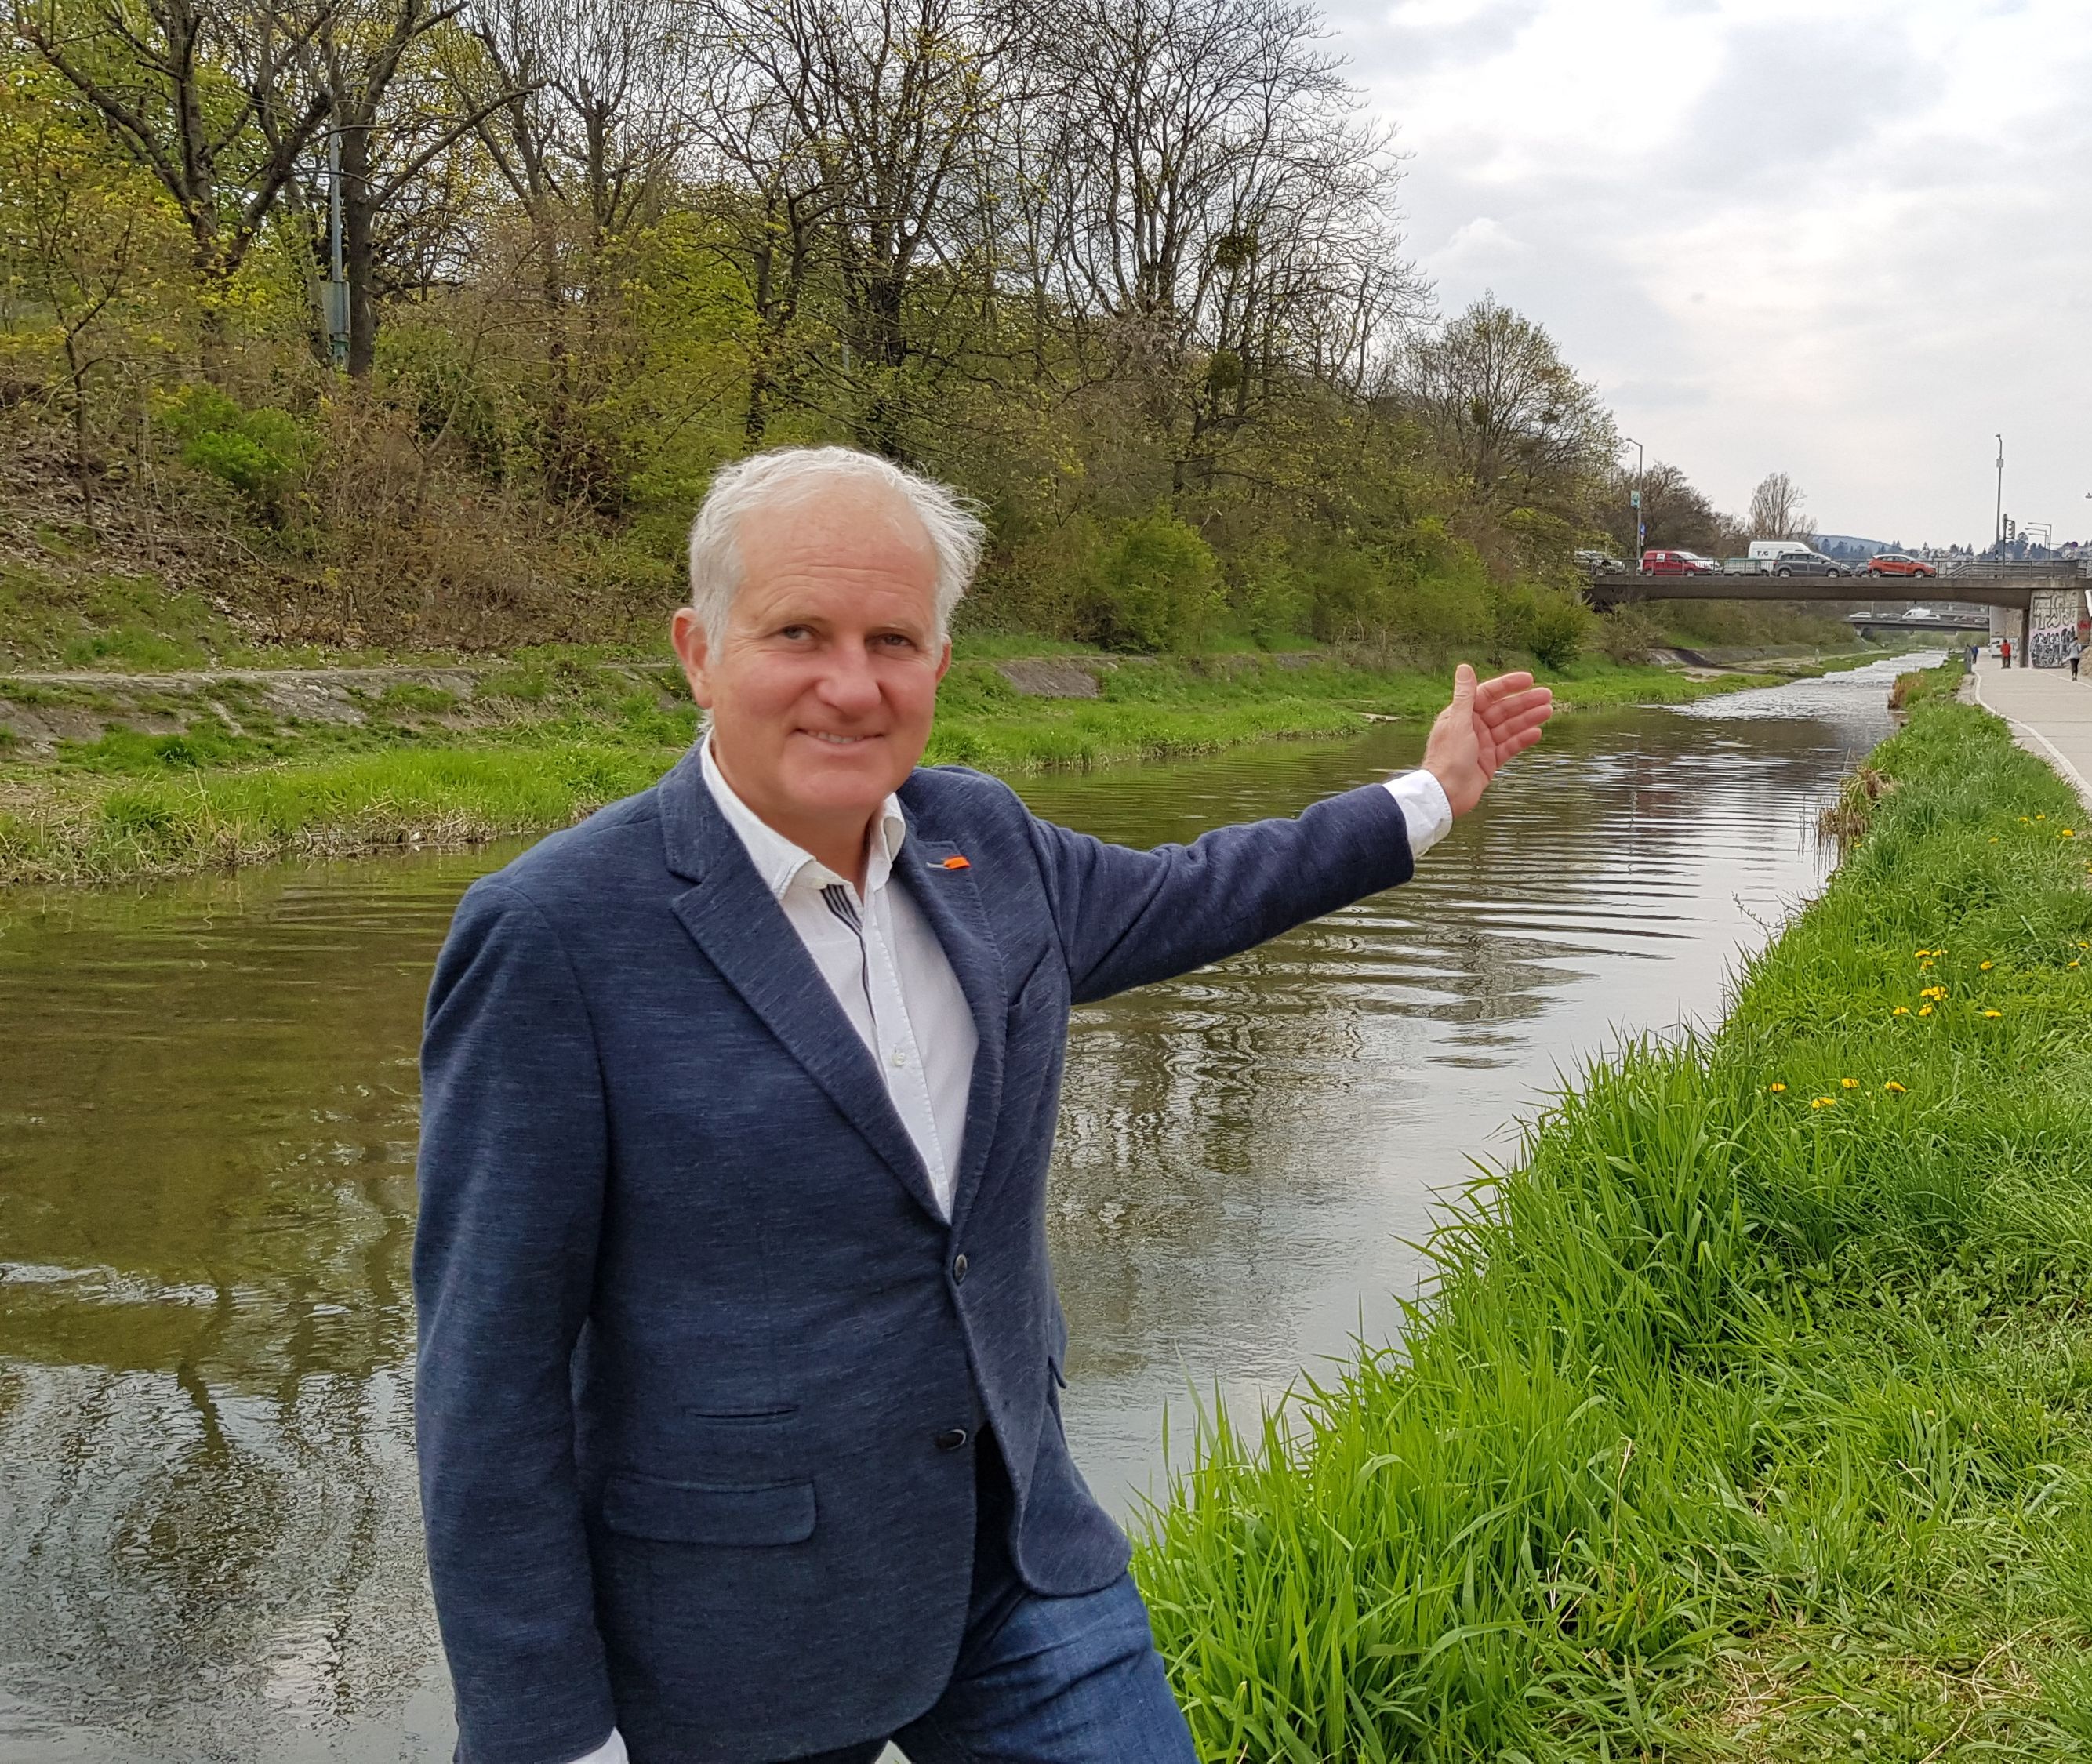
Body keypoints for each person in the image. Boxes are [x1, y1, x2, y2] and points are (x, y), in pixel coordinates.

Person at [412, 445, 1555, 1764]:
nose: (853, 684)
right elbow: (487, 1379)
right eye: (800, 632)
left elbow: (1204, 888)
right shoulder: (554, 933)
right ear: (700, 651)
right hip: (734, 1634)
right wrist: (551, 1738)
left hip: (1014, 1554)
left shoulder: (985, 842)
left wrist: (1430, 794)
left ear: (941, 664)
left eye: (893, 640)